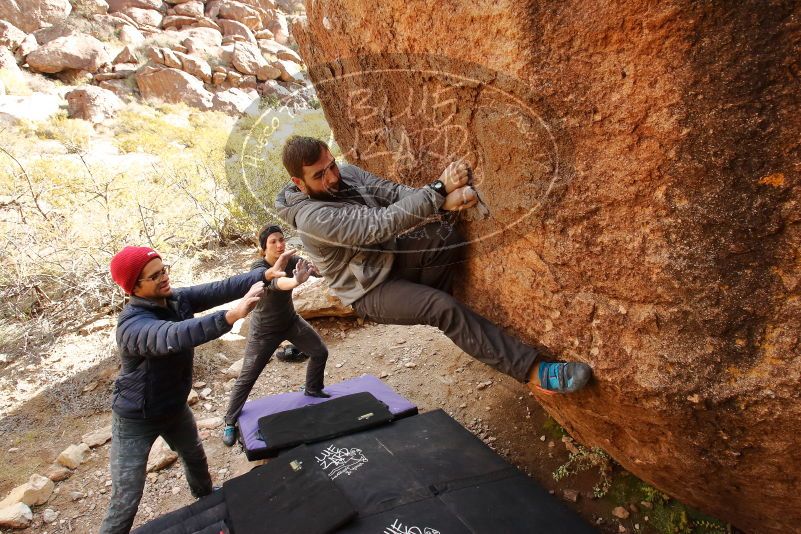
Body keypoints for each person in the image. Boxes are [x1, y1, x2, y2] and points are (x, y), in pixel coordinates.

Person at [275, 136, 592, 394]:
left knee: (445, 234)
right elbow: (379, 224)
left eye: (331, 165)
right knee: (441, 307)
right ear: (298, 182)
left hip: (393, 258)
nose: (332, 176)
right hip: (369, 290)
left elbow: (395, 194)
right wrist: (440, 191)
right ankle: (534, 370)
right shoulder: (312, 219)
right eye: (319, 174)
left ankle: (466, 331)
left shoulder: (350, 175)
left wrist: (443, 203)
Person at [100, 245, 291, 534]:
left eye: (163, 270)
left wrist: (264, 274)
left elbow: (220, 288)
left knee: (195, 457)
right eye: (155, 276)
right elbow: (174, 335)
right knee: (127, 496)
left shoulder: (175, 299)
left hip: (174, 407)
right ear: (134, 287)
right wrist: (231, 315)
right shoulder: (132, 326)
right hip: (136, 418)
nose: (164, 278)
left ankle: (205, 500)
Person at [221, 224, 330, 447]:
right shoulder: (258, 268)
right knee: (247, 377)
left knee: (319, 352)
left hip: (290, 321)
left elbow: (315, 270)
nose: (280, 244)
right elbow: (279, 283)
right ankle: (230, 421)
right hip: (264, 331)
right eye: (273, 241)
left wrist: (322, 267)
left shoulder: (291, 259)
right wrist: (297, 281)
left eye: (281, 239)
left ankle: (312, 388)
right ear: (263, 248)